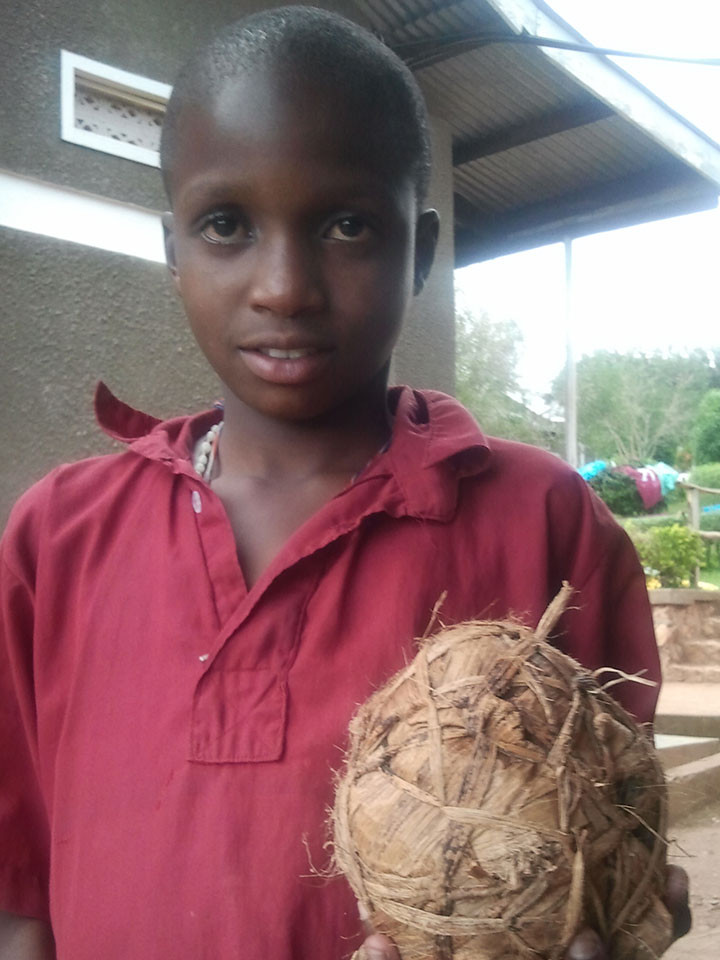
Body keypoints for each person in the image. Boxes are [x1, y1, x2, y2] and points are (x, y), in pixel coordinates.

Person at [0, 7, 689, 959]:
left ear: (422, 247)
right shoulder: (57, 538)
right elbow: (20, 893)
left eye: (347, 224)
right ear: (172, 246)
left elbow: (615, 840)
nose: (284, 285)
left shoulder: (542, 521)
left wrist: (621, 908)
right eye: (226, 224)